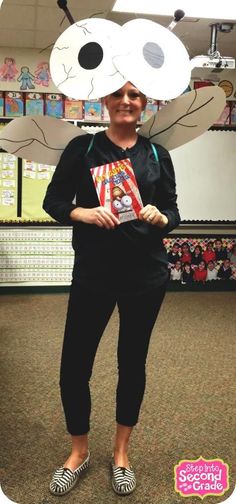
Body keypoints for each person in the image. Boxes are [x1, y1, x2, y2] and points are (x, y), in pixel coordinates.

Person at [42, 82, 181, 497]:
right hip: (94, 274)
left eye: (135, 95)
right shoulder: (82, 150)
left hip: (146, 277)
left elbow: (173, 209)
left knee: (132, 363)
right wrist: (82, 212)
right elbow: (53, 201)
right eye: (119, 94)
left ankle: (121, 454)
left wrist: (161, 216)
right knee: (74, 366)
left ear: (145, 104)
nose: (126, 101)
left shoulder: (158, 154)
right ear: (105, 101)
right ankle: (78, 452)